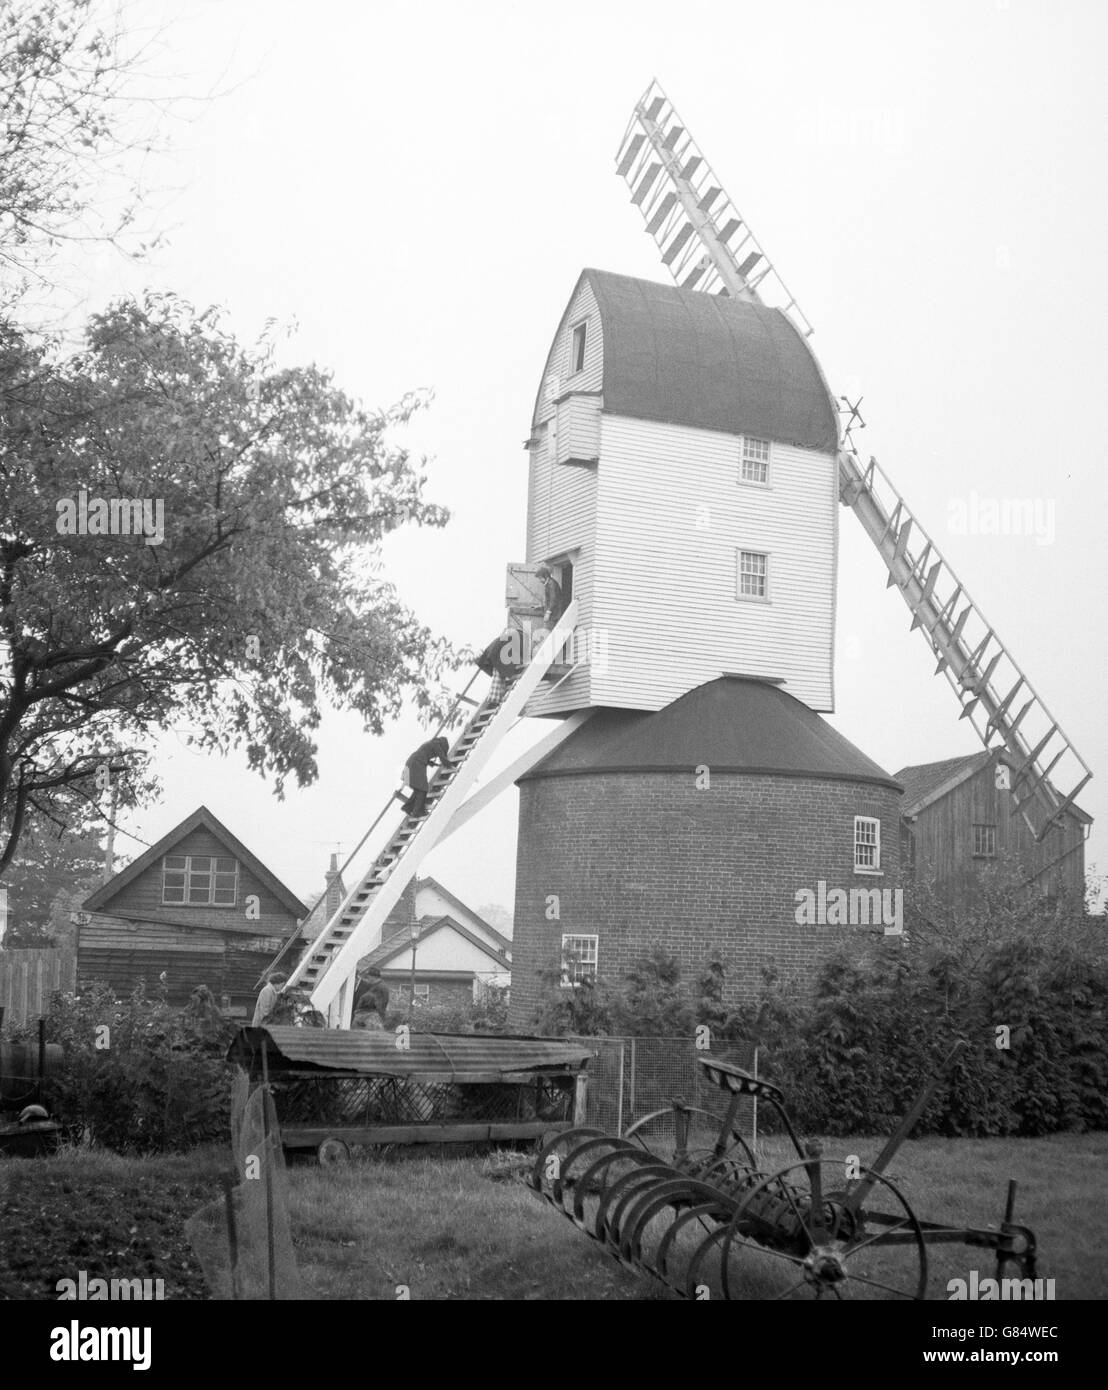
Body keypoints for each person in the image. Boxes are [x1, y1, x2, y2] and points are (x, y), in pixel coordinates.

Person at [399, 735, 450, 818]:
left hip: (412, 762)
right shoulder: (436, 745)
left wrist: (433, 763)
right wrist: (450, 765)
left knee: (418, 789)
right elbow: (442, 757)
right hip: (417, 764)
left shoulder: (430, 743)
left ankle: (408, 807)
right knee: (423, 788)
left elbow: (424, 754)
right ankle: (417, 811)